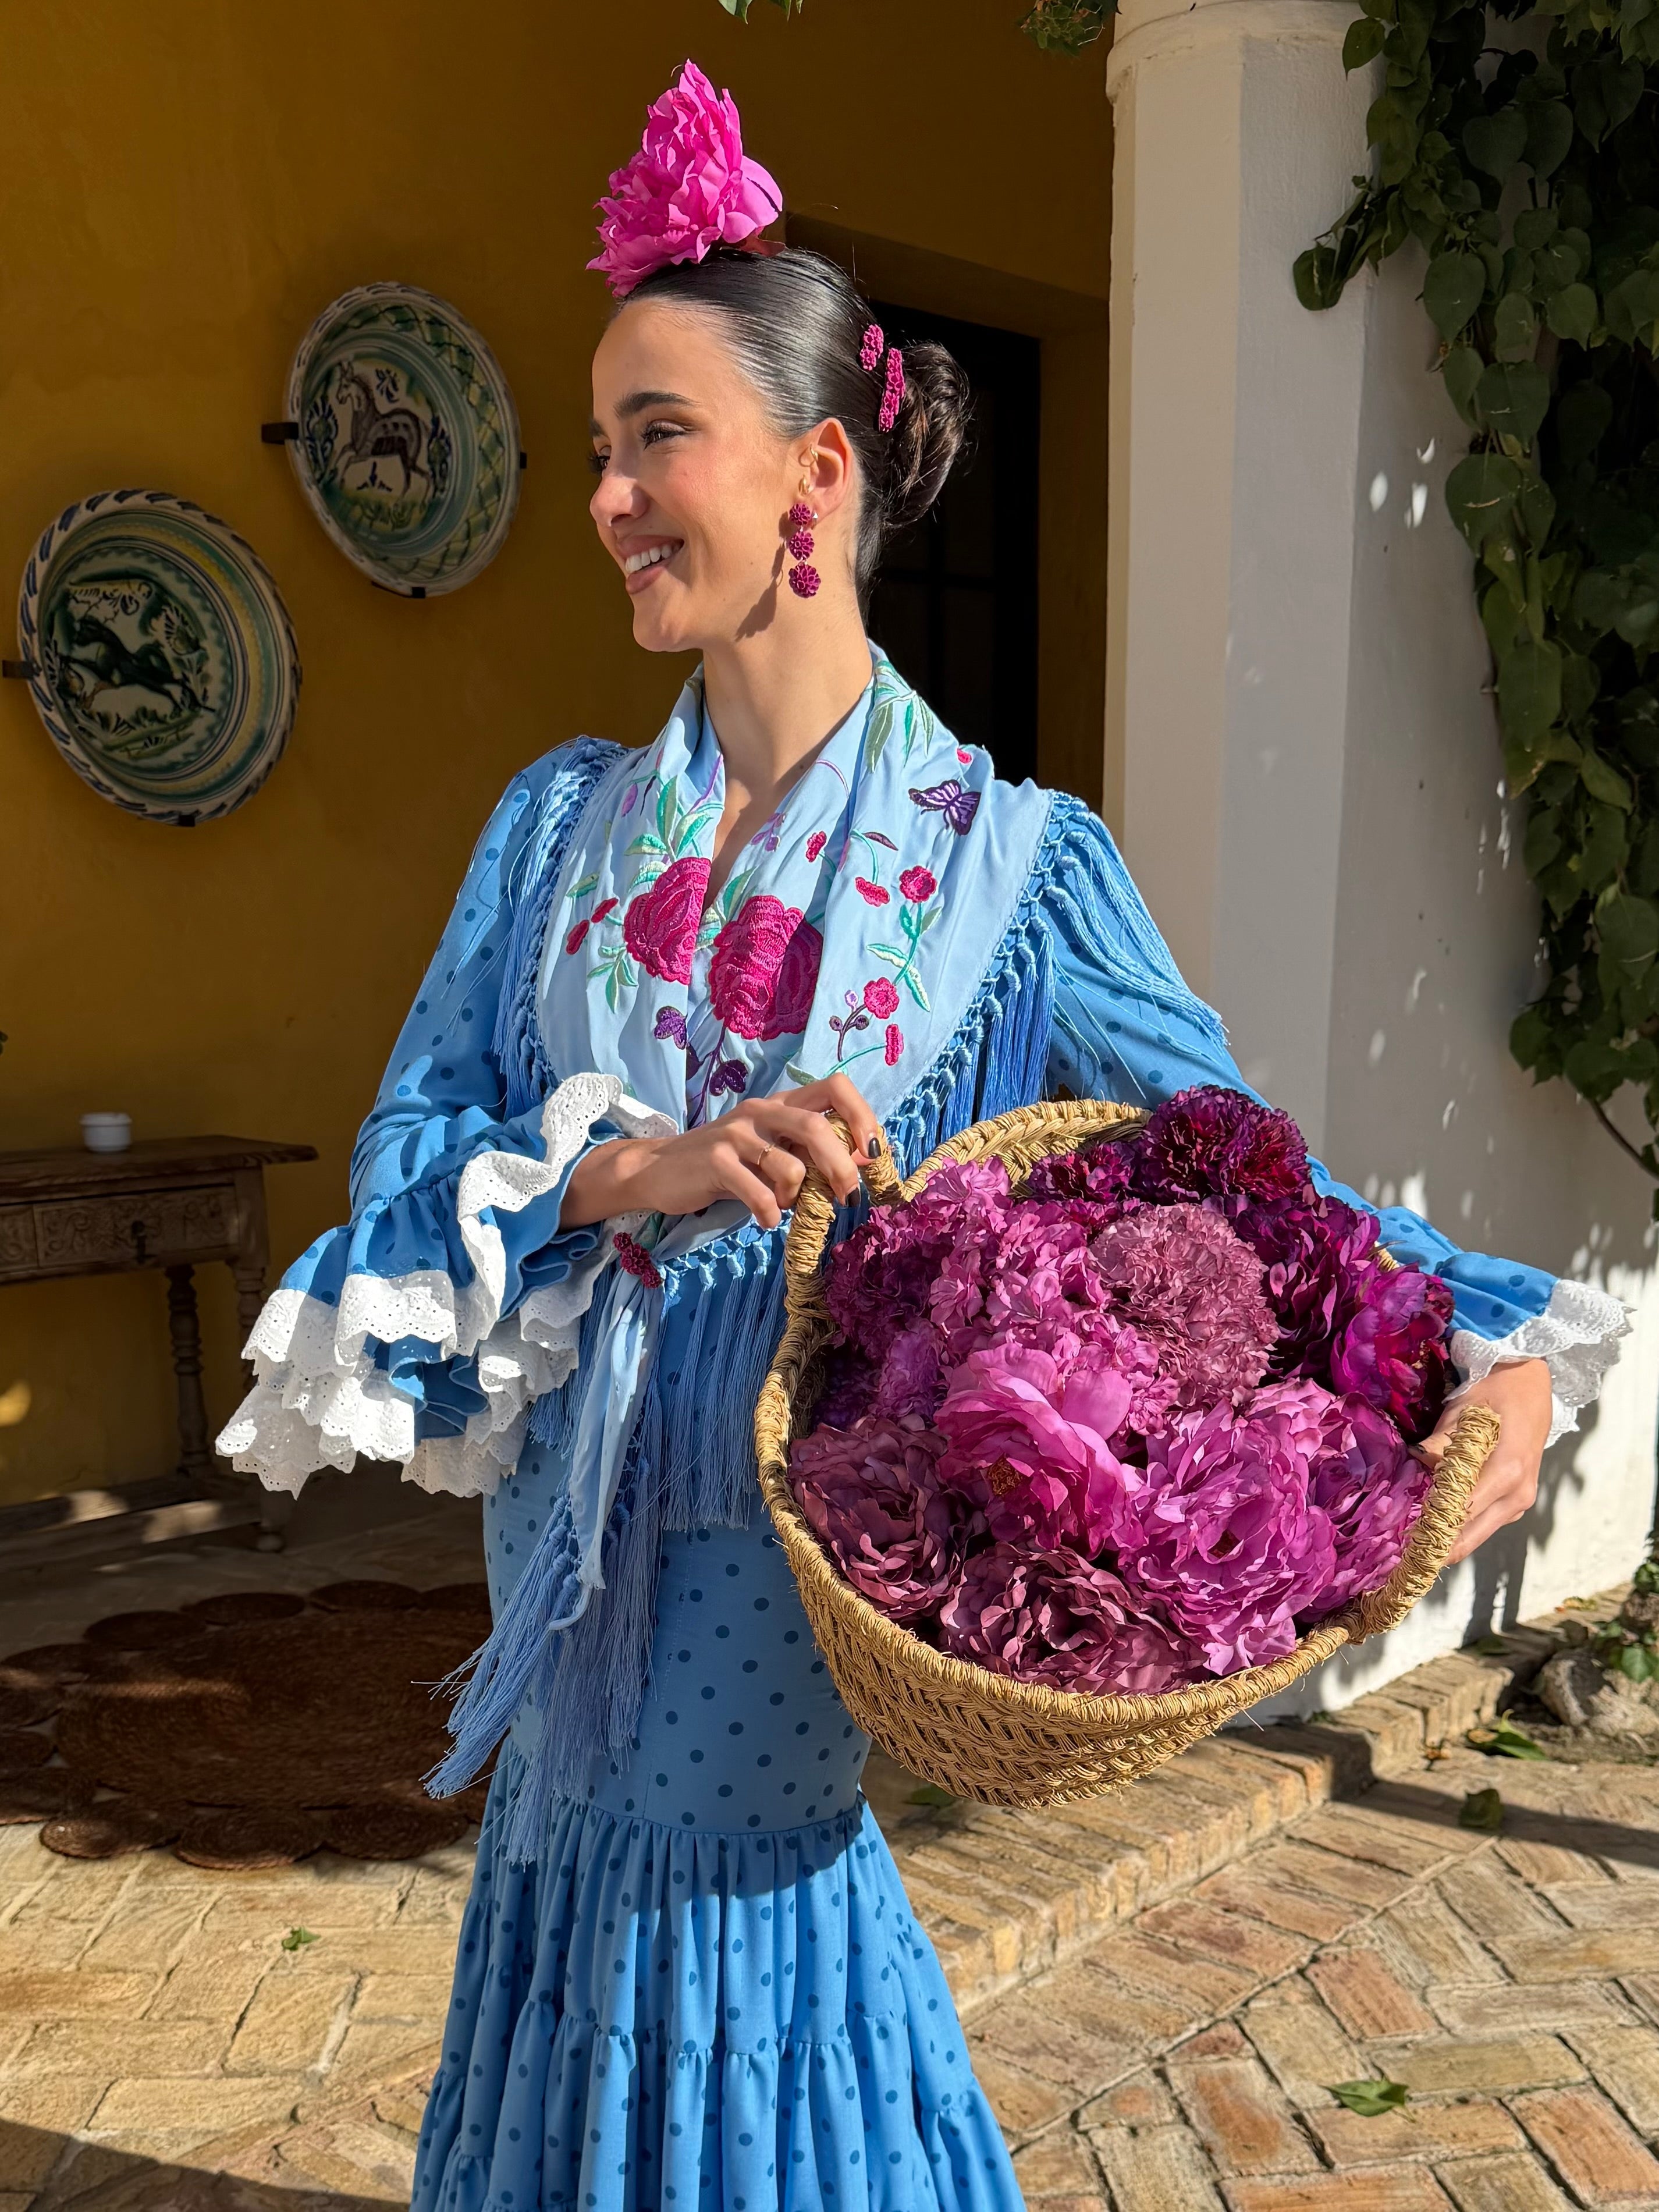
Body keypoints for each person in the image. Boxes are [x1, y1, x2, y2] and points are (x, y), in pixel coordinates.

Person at [219, 61, 1628, 2212]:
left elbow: (1236, 1172)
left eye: (649, 439)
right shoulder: (557, 835)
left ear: (814, 471)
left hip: (779, 1589)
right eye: (599, 449)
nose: (603, 495)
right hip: (561, 1572)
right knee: (580, 1935)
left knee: (736, 1949)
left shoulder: (1013, 873)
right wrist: (635, 1164)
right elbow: (409, 1153)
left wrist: (1480, 1329)